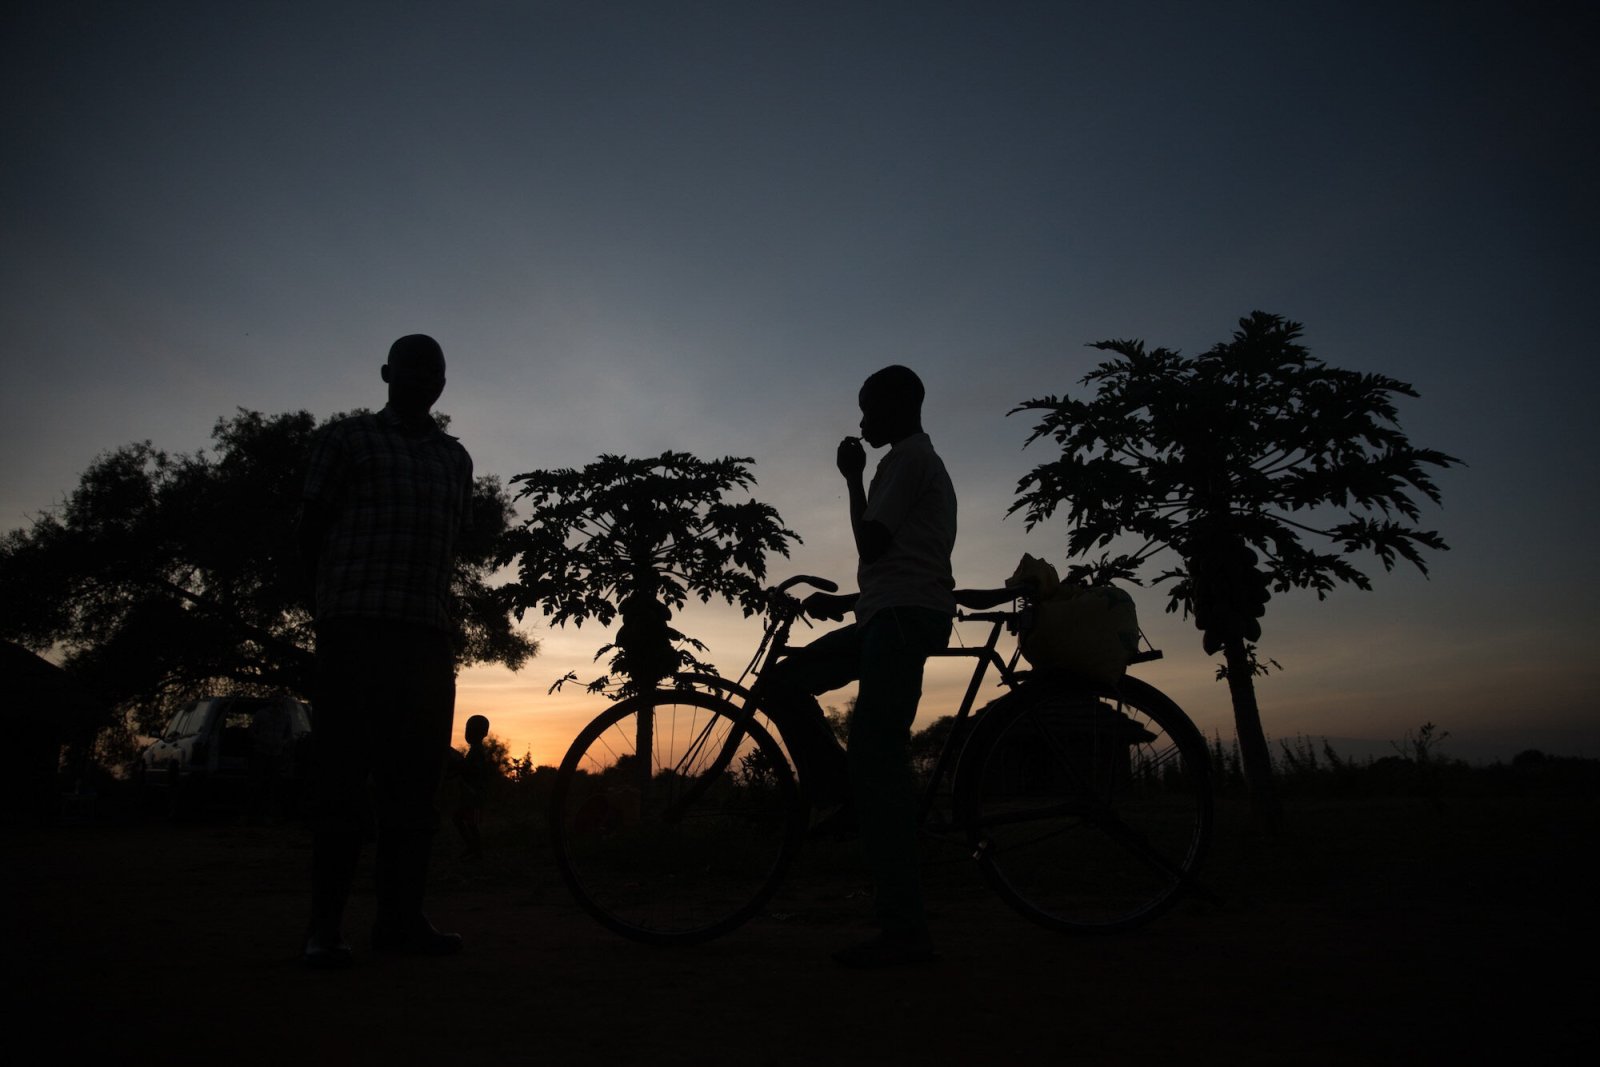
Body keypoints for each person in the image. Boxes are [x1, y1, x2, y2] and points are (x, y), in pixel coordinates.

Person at [762, 364, 957, 968]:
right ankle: (840, 794)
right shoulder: (909, 461)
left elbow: (871, 546)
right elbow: (892, 561)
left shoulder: (905, 460)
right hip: (884, 613)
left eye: (869, 408)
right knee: (783, 682)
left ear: (899, 407)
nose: (863, 420)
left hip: (899, 621)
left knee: (879, 767)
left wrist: (852, 479)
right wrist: (846, 601)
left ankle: (906, 932)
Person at [297, 333, 474, 968]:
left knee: (414, 789)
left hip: (425, 636)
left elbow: (451, 547)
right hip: (354, 629)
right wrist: (323, 616)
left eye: (436, 369)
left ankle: (399, 921)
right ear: (386, 373)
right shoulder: (347, 439)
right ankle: (325, 927)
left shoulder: (456, 460)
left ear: (443, 382)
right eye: (413, 365)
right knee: (342, 782)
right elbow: (309, 529)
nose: (426, 376)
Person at [452, 714, 492, 861]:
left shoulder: (477, 752)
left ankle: (477, 852)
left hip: (474, 796)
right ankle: (473, 848)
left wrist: (459, 764)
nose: (467, 733)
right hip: (471, 795)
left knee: (471, 823)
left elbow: (473, 771)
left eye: (471, 730)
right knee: (461, 819)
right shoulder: (475, 751)